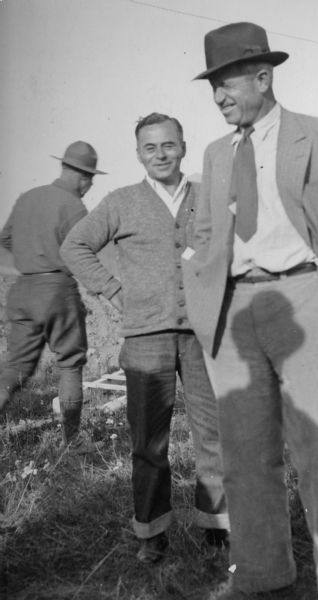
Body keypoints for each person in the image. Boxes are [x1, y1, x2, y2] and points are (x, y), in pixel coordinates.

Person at [182, 22, 318, 600]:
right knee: (244, 459)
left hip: (301, 300)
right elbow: (207, 232)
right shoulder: (217, 155)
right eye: (211, 86)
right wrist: (197, 285)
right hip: (231, 314)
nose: (218, 96)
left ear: (263, 78)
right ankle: (264, 578)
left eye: (226, 83)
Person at [60, 113, 229, 563]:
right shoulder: (121, 201)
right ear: (138, 154)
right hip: (145, 339)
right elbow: (73, 246)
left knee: (212, 435)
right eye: (150, 148)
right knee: (148, 443)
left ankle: (217, 529)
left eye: (168, 145)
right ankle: (151, 534)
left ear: (183, 148)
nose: (160, 154)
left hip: (201, 336)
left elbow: (229, 249)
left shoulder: (207, 198)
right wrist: (113, 290)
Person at [0, 141, 105, 453]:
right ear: (84, 177)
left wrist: (30, 261)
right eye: (90, 180)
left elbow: (5, 239)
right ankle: (72, 441)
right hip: (57, 290)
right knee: (71, 364)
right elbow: (82, 253)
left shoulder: (28, 197)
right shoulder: (74, 207)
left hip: (23, 288)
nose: (89, 186)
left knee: (15, 366)